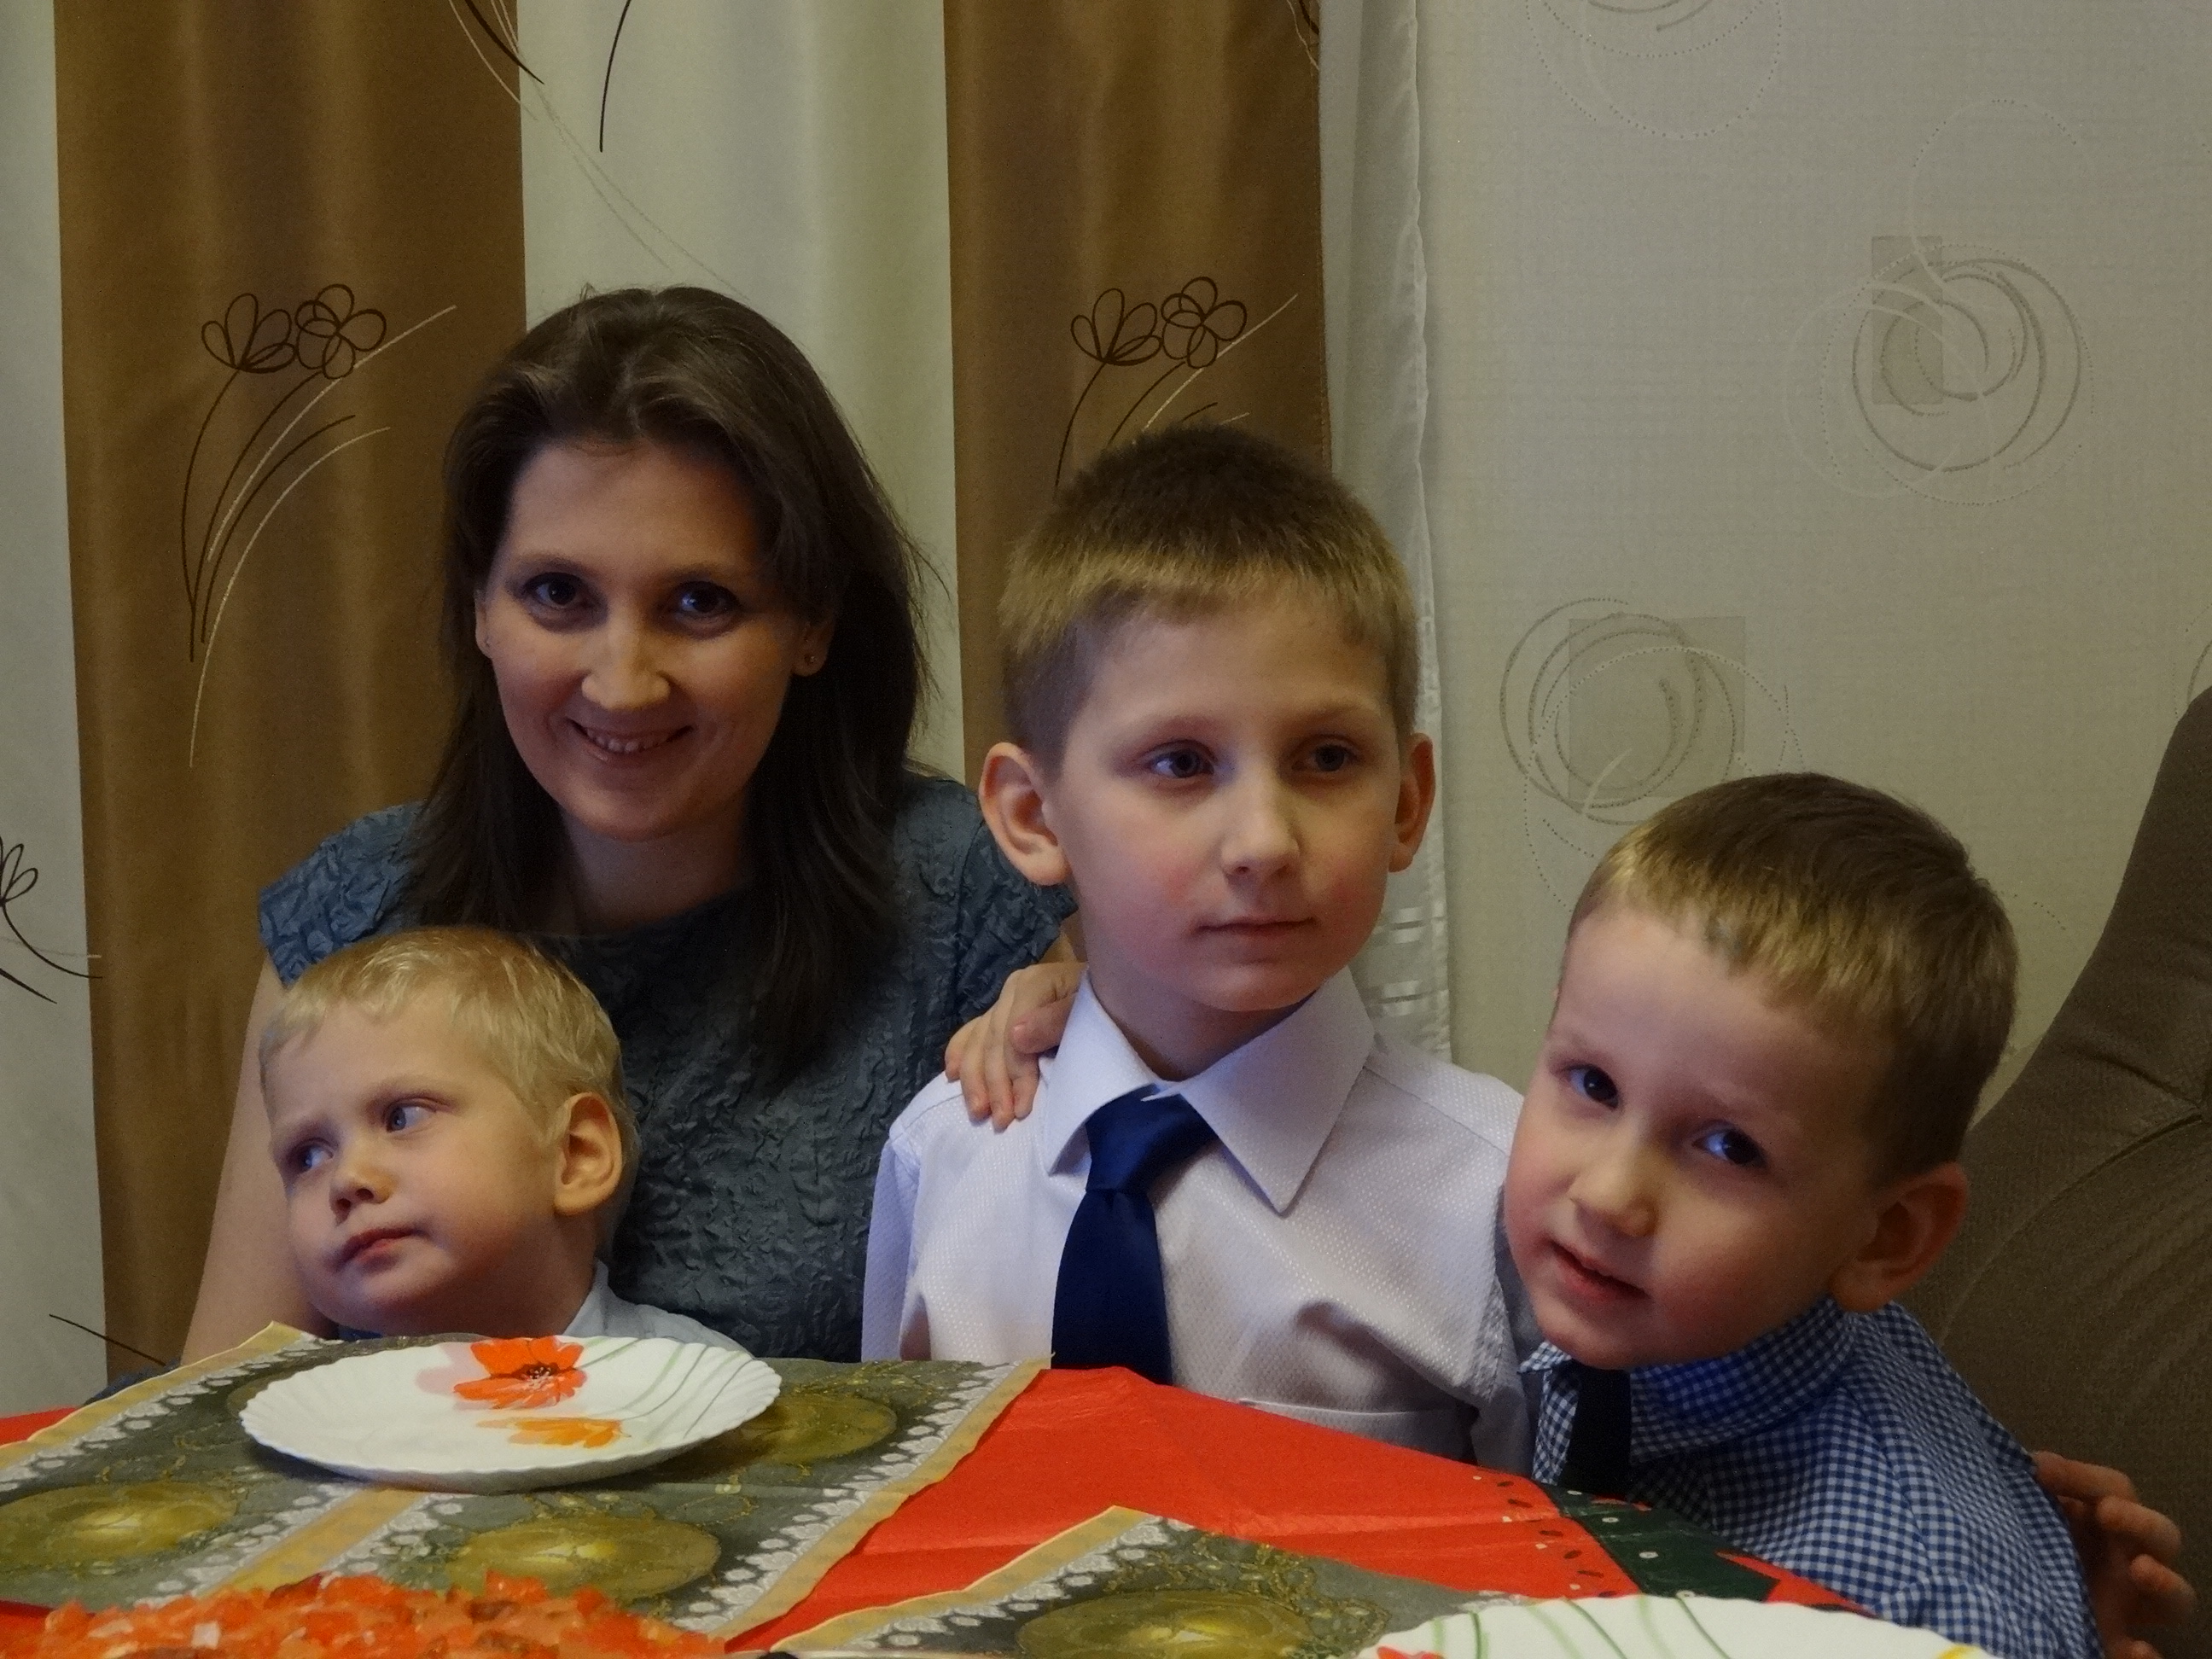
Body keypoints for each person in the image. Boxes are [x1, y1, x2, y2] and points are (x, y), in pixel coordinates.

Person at [186, 286, 1074, 1364]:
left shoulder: (967, 895)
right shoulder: (357, 913)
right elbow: (228, 1400)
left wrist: (1113, 1015)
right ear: (479, 608)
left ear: (813, 623)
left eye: (699, 602)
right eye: (558, 594)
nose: (623, 682)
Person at [862, 424, 1529, 1464]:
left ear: (1406, 802)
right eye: (1180, 763)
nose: (1264, 841)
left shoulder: (1499, 1196)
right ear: (1033, 816)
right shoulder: (939, 1155)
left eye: (1326, 757)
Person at [1503, 773, 2094, 1657]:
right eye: (1594, 1084)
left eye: (1729, 1148)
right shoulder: (1630, 1307)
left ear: (1886, 1237)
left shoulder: (1908, 1615)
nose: (1607, 1195)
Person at [260, 925, 735, 1348]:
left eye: (402, 1117)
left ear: (576, 1155)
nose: (346, 1180)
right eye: (309, 1156)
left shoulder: (701, 1386)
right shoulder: (300, 1411)